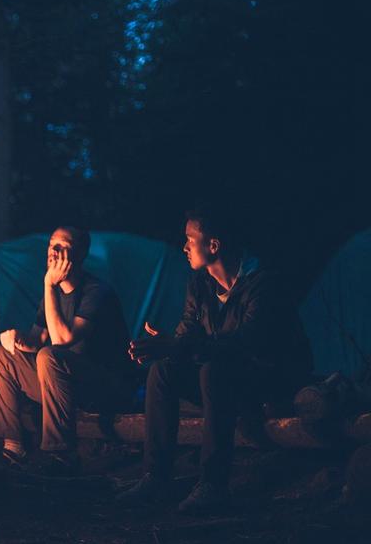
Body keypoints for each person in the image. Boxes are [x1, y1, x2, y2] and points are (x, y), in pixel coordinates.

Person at [121, 208, 313, 512]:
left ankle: (212, 483)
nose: (184, 247)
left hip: (268, 381)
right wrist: (167, 346)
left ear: (213, 245)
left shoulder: (263, 285)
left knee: (214, 371)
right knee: (164, 370)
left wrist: (180, 345)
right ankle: (155, 476)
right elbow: (188, 335)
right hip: (223, 380)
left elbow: (246, 343)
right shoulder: (200, 286)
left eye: (189, 240)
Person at [0, 227, 135, 474]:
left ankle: (58, 453)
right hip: (61, 384)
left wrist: (48, 284)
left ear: (80, 253)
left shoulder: (96, 292)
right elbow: (39, 337)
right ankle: (10, 447)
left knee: (49, 355)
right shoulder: (51, 294)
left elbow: (62, 339)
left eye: (62, 246)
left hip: (102, 386)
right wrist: (17, 339)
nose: (53, 251)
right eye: (52, 245)